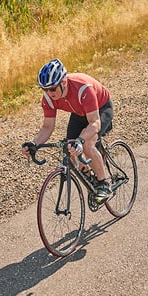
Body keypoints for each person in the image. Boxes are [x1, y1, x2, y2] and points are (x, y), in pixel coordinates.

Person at [23, 59, 113, 202]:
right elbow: (47, 127)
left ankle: (103, 184)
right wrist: (34, 144)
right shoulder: (48, 98)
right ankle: (91, 180)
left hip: (100, 109)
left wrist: (80, 140)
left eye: (52, 88)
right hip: (79, 113)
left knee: (86, 145)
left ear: (63, 82)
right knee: (70, 148)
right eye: (44, 89)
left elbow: (95, 123)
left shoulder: (83, 88)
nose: (48, 93)